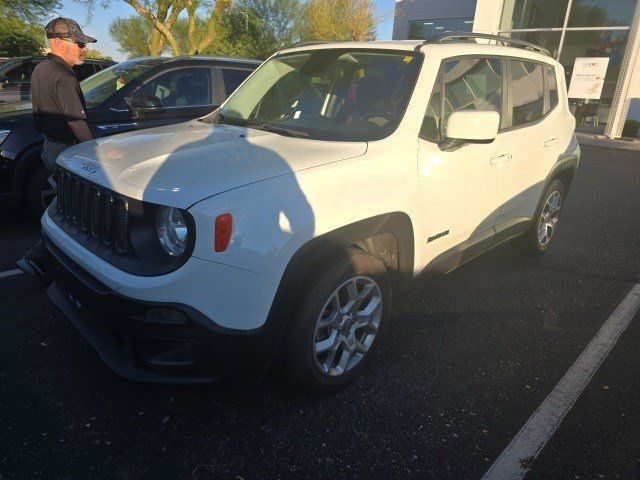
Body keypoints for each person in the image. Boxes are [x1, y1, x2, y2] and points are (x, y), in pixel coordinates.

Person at [16, 17, 97, 282]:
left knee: (68, 208)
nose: (83, 49)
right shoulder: (63, 75)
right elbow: (75, 120)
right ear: (60, 43)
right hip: (67, 152)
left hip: (49, 147)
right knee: (71, 210)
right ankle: (38, 258)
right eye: (79, 43)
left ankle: (47, 259)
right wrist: (94, 153)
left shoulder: (41, 69)